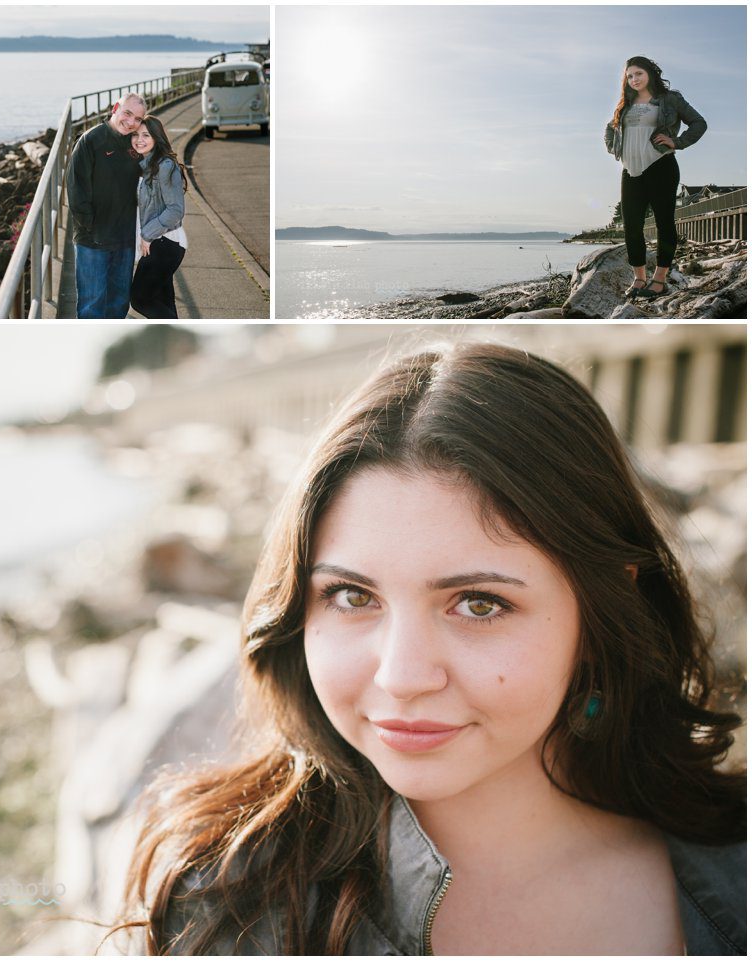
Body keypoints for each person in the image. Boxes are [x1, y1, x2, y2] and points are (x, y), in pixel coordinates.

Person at [108, 344, 746, 955]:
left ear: (605, 606)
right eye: (353, 596)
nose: (403, 676)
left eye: (479, 604)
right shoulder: (219, 903)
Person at [604, 57, 707, 302]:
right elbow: (610, 128)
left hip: (661, 166)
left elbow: (699, 123)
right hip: (630, 171)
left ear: (650, 73)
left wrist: (677, 142)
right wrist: (614, 148)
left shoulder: (669, 99)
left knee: (664, 223)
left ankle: (659, 279)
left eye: (638, 73)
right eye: (629, 76)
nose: (634, 79)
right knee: (631, 226)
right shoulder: (626, 104)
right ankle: (639, 278)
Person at [67, 93, 147, 318]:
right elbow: (76, 190)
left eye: (138, 119)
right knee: (91, 307)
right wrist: (92, 227)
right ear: (115, 109)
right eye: (127, 113)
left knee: (119, 304)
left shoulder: (136, 144)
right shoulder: (90, 140)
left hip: (125, 239)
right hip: (93, 241)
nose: (131, 122)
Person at [130, 117, 188, 320]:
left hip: (165, 243)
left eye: (146, 135)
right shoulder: (145, 164)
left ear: (157, 137)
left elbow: (175, 210)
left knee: (140, 299)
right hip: (158, 242)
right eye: (135, 135)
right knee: (163, 301)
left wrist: (147, 234)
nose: (139, 139)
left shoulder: (165, 166)